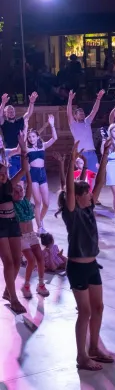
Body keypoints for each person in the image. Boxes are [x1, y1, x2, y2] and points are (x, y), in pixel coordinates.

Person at [57, 138, 113, 371]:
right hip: (77, 267)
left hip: (92, 265)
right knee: (85, 311)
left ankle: (93, 347)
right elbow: (69, 187)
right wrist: (71, 161)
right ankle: (81, 355)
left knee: (98, 308)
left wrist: (105, 155)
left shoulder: (89, 207)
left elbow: (99, 181)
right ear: (78, 197)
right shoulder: (72, 211)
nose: (92, 195)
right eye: (87, 193)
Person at [0, 132, 28, 314]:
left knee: (17, 261)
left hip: (13, 223)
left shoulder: (9, 184)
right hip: (0, 225)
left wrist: (24, 150)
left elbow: (24, 170)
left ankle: (7, 291)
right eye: (0, 173)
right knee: (8, 263)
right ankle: (14, 297)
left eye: (4, 172)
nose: (3, 175)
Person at [14, 157, 49, 298]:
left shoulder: (26, 201)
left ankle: (41, 284)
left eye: (20, 190)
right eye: (16, 191)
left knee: (40, 259)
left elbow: (29, 183)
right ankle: (26, 285)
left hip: (31, 234)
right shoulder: (11, 204)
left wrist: (27, 169)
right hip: (21, 236)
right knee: (31, 260)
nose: (20, 193)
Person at [26, 114, 58, 233]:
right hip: (33, 174)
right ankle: (39, 227)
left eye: (33, 136)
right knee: (38, 202)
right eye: (29, 137)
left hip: (42, 174)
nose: (31, 139)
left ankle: (39, 221)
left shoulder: (43, 146)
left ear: (37, 137)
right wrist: (25, 127)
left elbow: (55, 138)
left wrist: (52, 125)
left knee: (46, 203)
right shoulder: (28, 148)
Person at [67, 89, 105, 175]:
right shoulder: (73, 124)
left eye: (83, 113)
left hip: (92, 154)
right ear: (75, 116)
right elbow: (68, 113)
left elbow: (94, 110)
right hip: (81, 154)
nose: (82, 115)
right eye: (80, 114)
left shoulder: (87, 121)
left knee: (94, 175)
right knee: (82, 176)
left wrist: (98, 98)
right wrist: (70, 99)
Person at [0, 92, 37, 178]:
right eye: (8, 111)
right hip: (10, 155)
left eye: (12, 111)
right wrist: (3, 103)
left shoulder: (20, 121)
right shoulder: (4, 123)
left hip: (21, 154)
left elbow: (29, 113)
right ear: (5, 114)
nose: (11, 112)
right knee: (13, 179)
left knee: (23, 179)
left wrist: (31, 102)